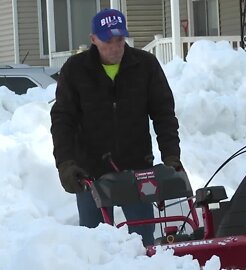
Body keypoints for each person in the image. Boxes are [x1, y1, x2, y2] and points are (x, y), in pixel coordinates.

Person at [50, 8, 184, 247]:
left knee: (144, 244)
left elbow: (164, 113)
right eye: (107, 41)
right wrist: (66, 163)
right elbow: (62, 120)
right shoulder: (76, 69)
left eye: (120, 40)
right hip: (90, 173)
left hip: (137, 169)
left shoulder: (145, 65)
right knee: (95, 246)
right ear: (93, 39)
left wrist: (171, 155)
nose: (115, 47)